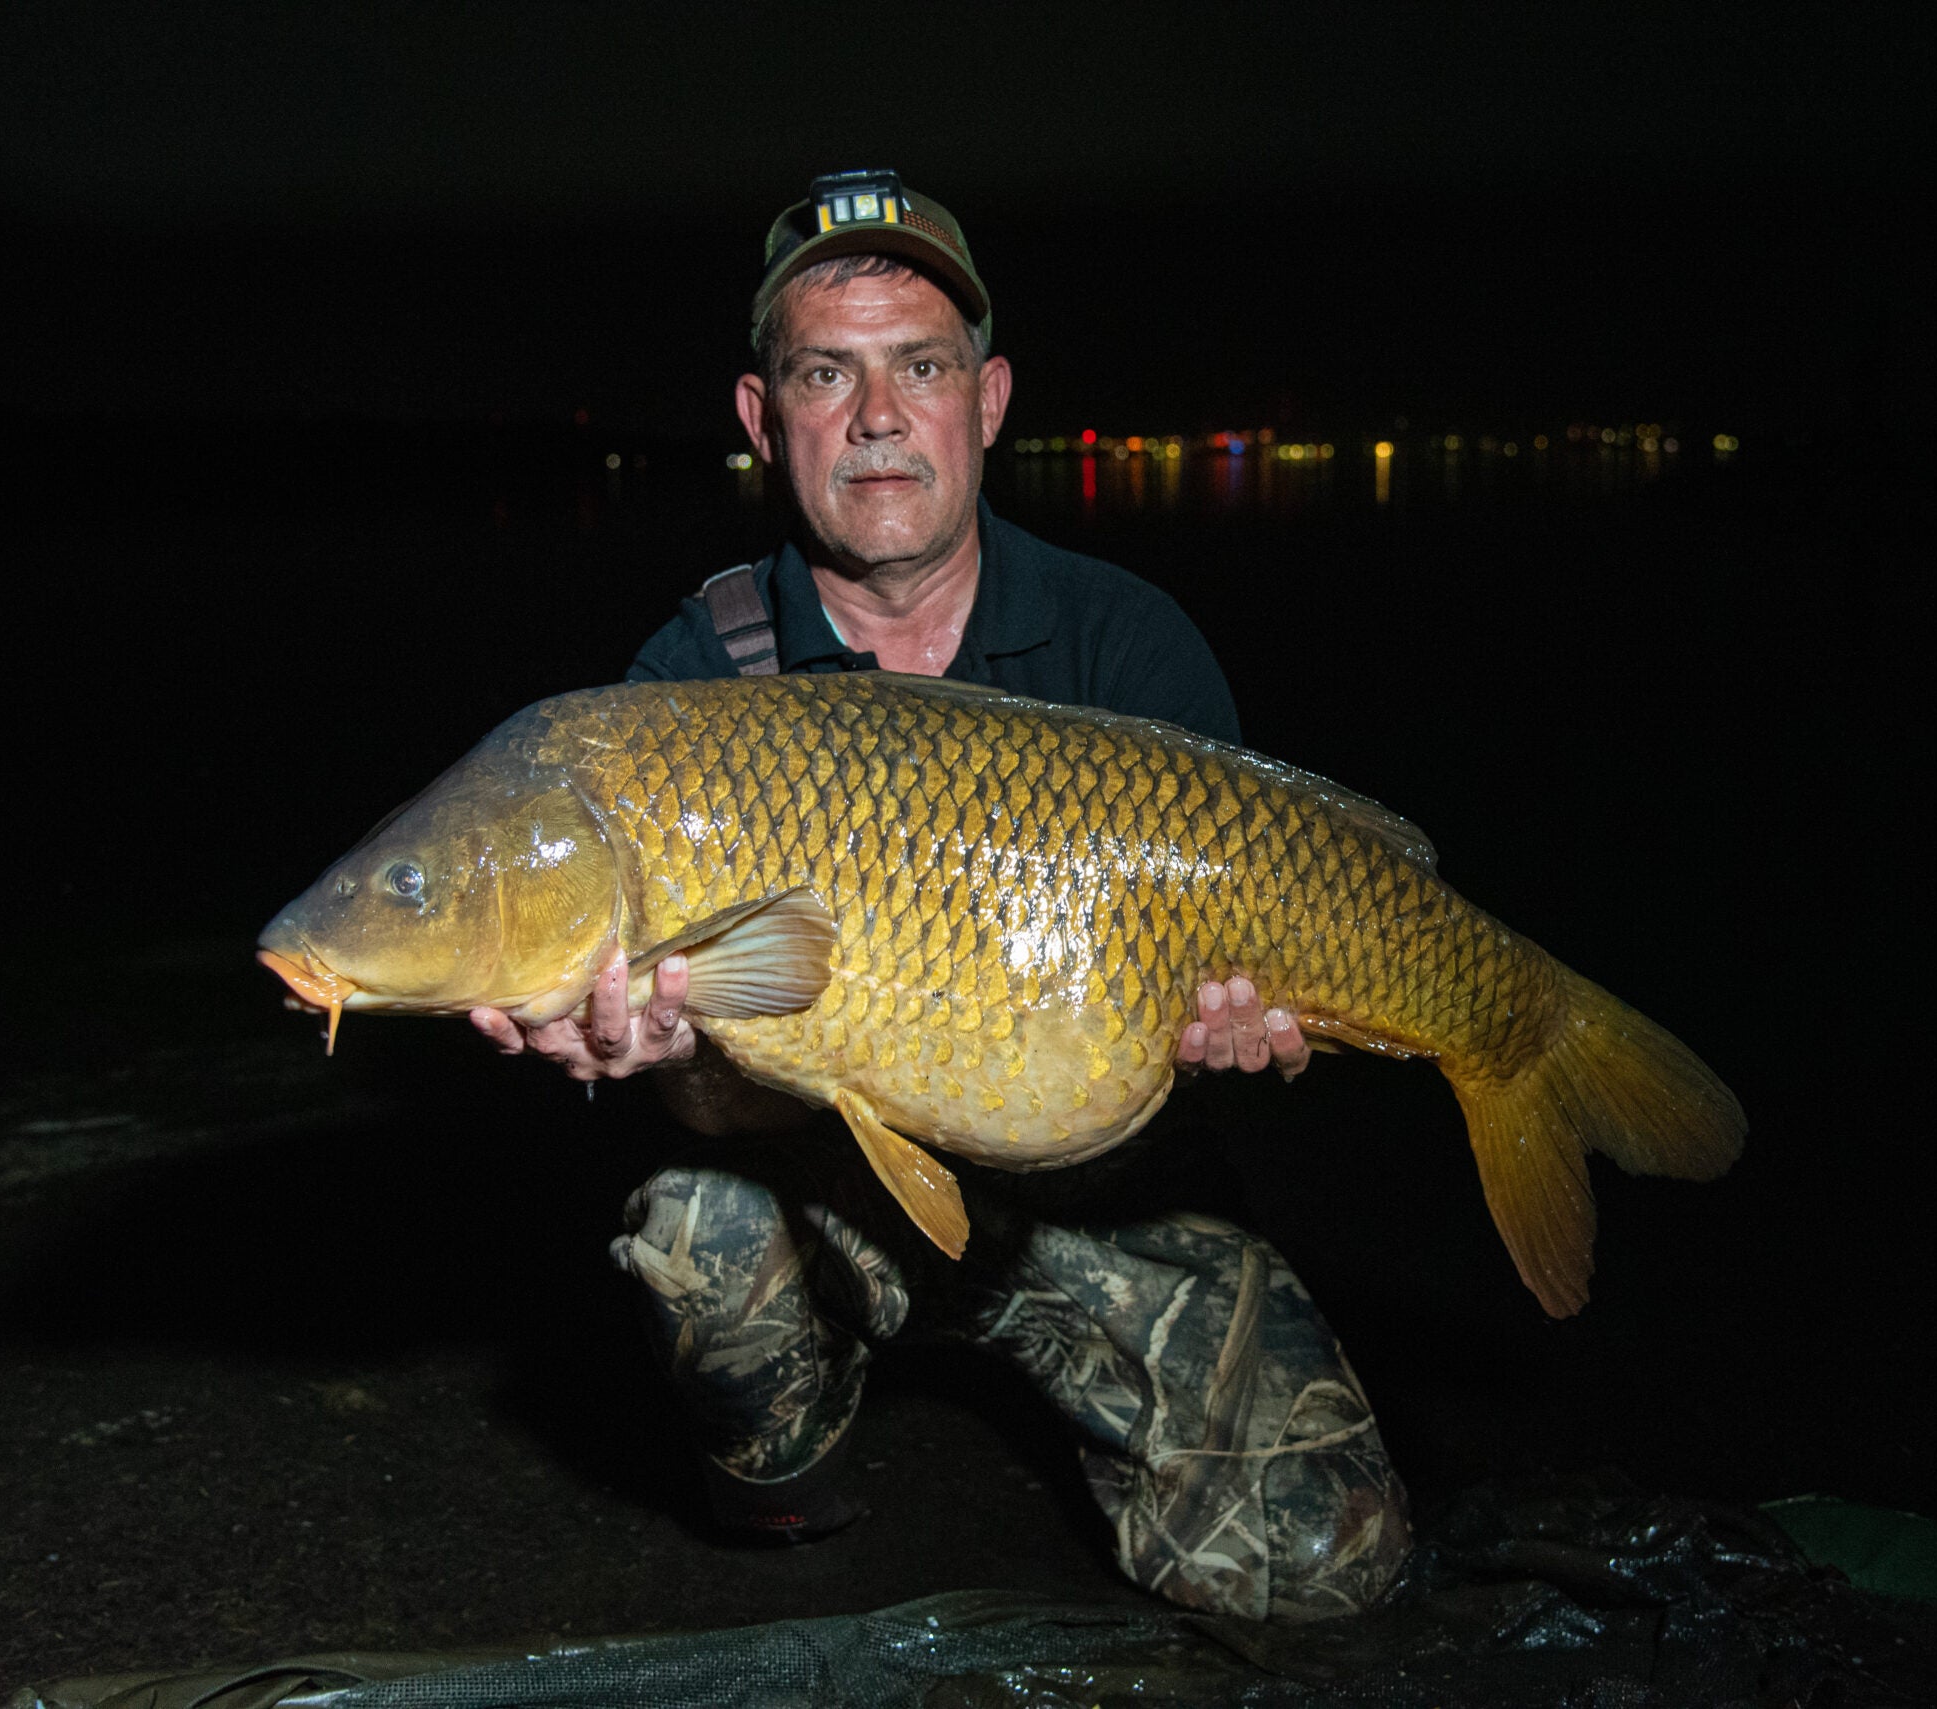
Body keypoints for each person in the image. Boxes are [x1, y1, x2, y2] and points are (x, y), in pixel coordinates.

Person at [471, 171, 1411, 1622]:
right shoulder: (686, 687)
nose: (877, 416)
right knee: (692, 1215)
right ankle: (790, 1479)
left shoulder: (1124, 640)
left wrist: (1257, 1033)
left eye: (920, 367)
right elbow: (707, 1097)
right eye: (824, 375)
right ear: (760, 418)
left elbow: (1243, 1038)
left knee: (1327, 1569)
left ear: (989, 399)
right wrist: (665, 1061)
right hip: (827, 1178)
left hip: (1091, 1191)